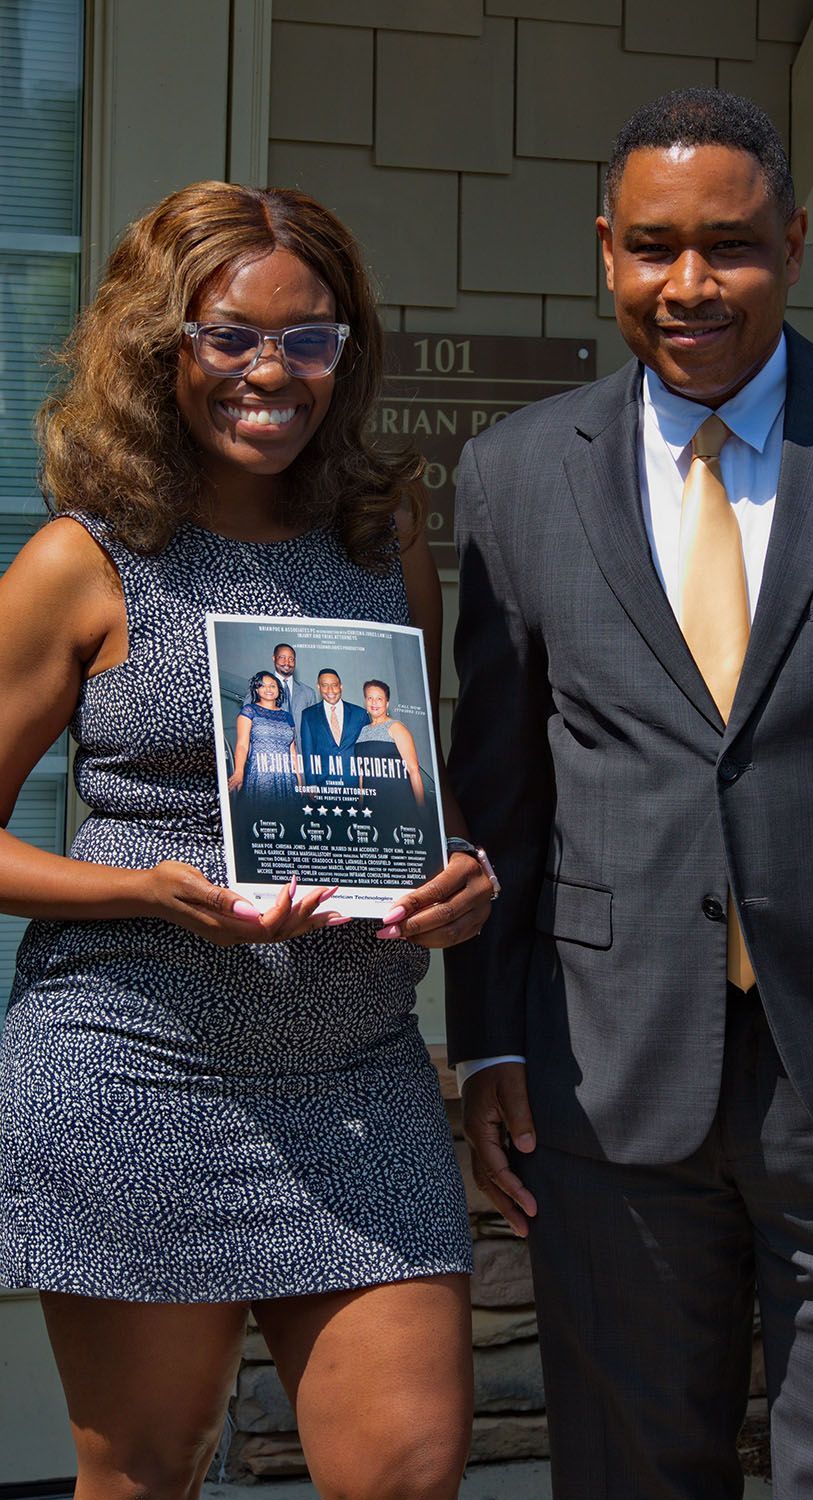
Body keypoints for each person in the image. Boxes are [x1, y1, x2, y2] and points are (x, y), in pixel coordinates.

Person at [440, 89, 813, 1500]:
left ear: (795, 244)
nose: (689, 285)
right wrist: (489, 1045)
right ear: (606, 252)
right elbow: (496, 790)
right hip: (606, 1071)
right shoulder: (513, 476)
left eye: (732, 247)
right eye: (652, 247)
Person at [0, 180, 497, 1500]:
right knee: (149, 1477)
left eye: (310, 337)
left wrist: (457, 875)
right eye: (229, 336)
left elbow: (404, 793)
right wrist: (144, 890)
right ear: (159, 345)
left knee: (409, 1470)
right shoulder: (84, 560)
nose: (271, 372)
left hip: (356, 1073)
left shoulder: (379, 539)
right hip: (135, 1071)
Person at [356, 678, 426, 810]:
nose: (374, 702)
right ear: (365, 702)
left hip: (398, 801)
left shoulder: (396, 727)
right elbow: (362, 773)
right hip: (371, 804)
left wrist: (421, 809)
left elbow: (414, 770)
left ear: (387, 703)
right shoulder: (363, 731)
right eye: (370, 698)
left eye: (379, 699)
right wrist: (360, 805)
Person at [229, 669, 299, 801]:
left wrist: (300, 782)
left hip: (287, 778)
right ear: (256, 690)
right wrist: (239, 772)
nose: (269, 689)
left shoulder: (287, 717)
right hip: (260, 775)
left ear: (279, 689)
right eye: (263, 685)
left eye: (272, 685)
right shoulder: (249, 711)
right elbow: (242, 745)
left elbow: (292, 751)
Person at [299, 667, 367, 788]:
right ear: (318, 687)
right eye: (324, 685)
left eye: (334, 685)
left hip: (354, 785)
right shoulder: (308, 715)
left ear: (341, 686)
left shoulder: (360, 714)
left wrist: (366, 785)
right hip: (323, 785)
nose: (330, 690)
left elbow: (367, 752)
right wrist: (311, 783)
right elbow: (308, 753)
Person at [242, 642, 316, 750]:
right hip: (268, 754)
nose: (287, 662)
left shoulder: (308, 693)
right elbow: (246, 729)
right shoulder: (259, 688)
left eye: (291, 659)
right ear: (274, 658)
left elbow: (312, 730)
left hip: (300, 756)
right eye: (282, 657)